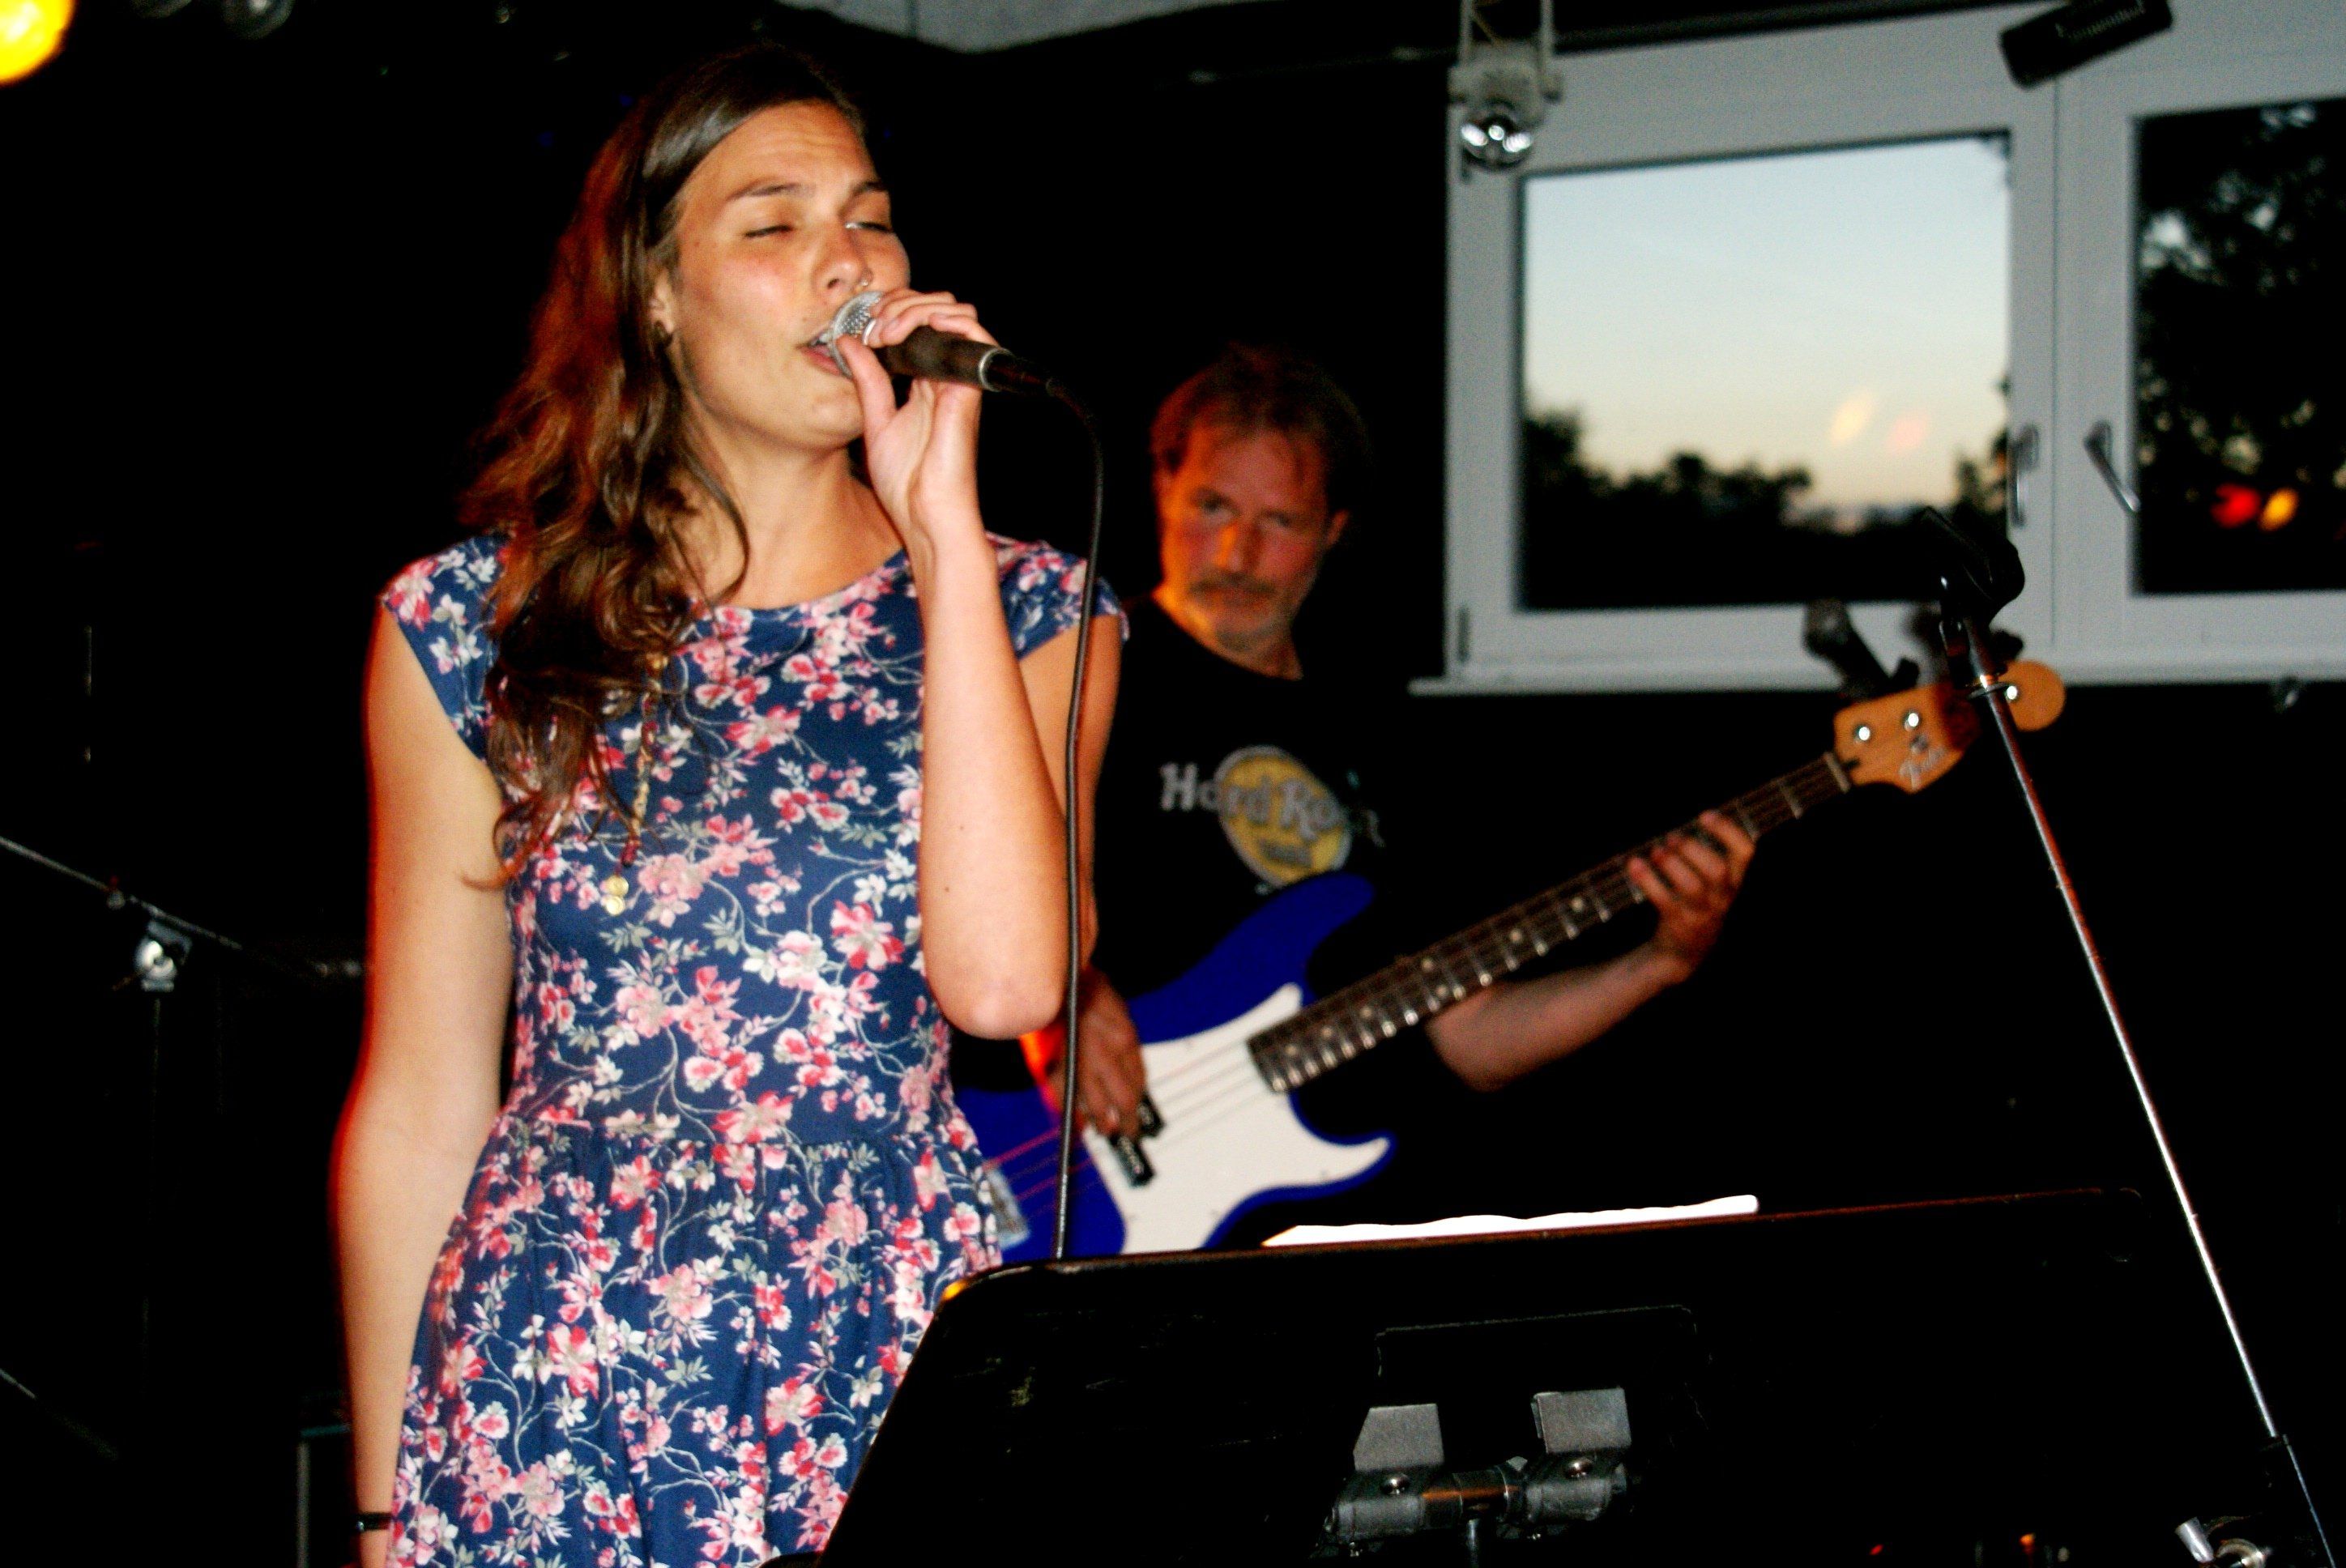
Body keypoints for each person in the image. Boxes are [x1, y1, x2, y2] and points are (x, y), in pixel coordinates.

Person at [333, 45, 1119, 1566]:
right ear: (656, 297)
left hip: (877, 1354)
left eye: (871, 217)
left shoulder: (1031, 607)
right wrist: (382, 1510)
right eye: (774, 224)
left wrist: (943, 541)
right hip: (554, 1371)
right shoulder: (472, 625)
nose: (849, 261)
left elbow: (1010, 983)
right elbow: (422, 1101)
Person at [1056, 345, 1749, 1152]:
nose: (1236, 555)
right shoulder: (1081, 670)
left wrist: (1658, 963)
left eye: (1279, 521)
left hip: (1306, 1193)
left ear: (1331, 531)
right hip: (1065, 1148)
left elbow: (1471, 1036)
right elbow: (956, 881)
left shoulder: (1378, 735)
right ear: (1162, 489)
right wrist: (1067, 991)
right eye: (1212, 506)